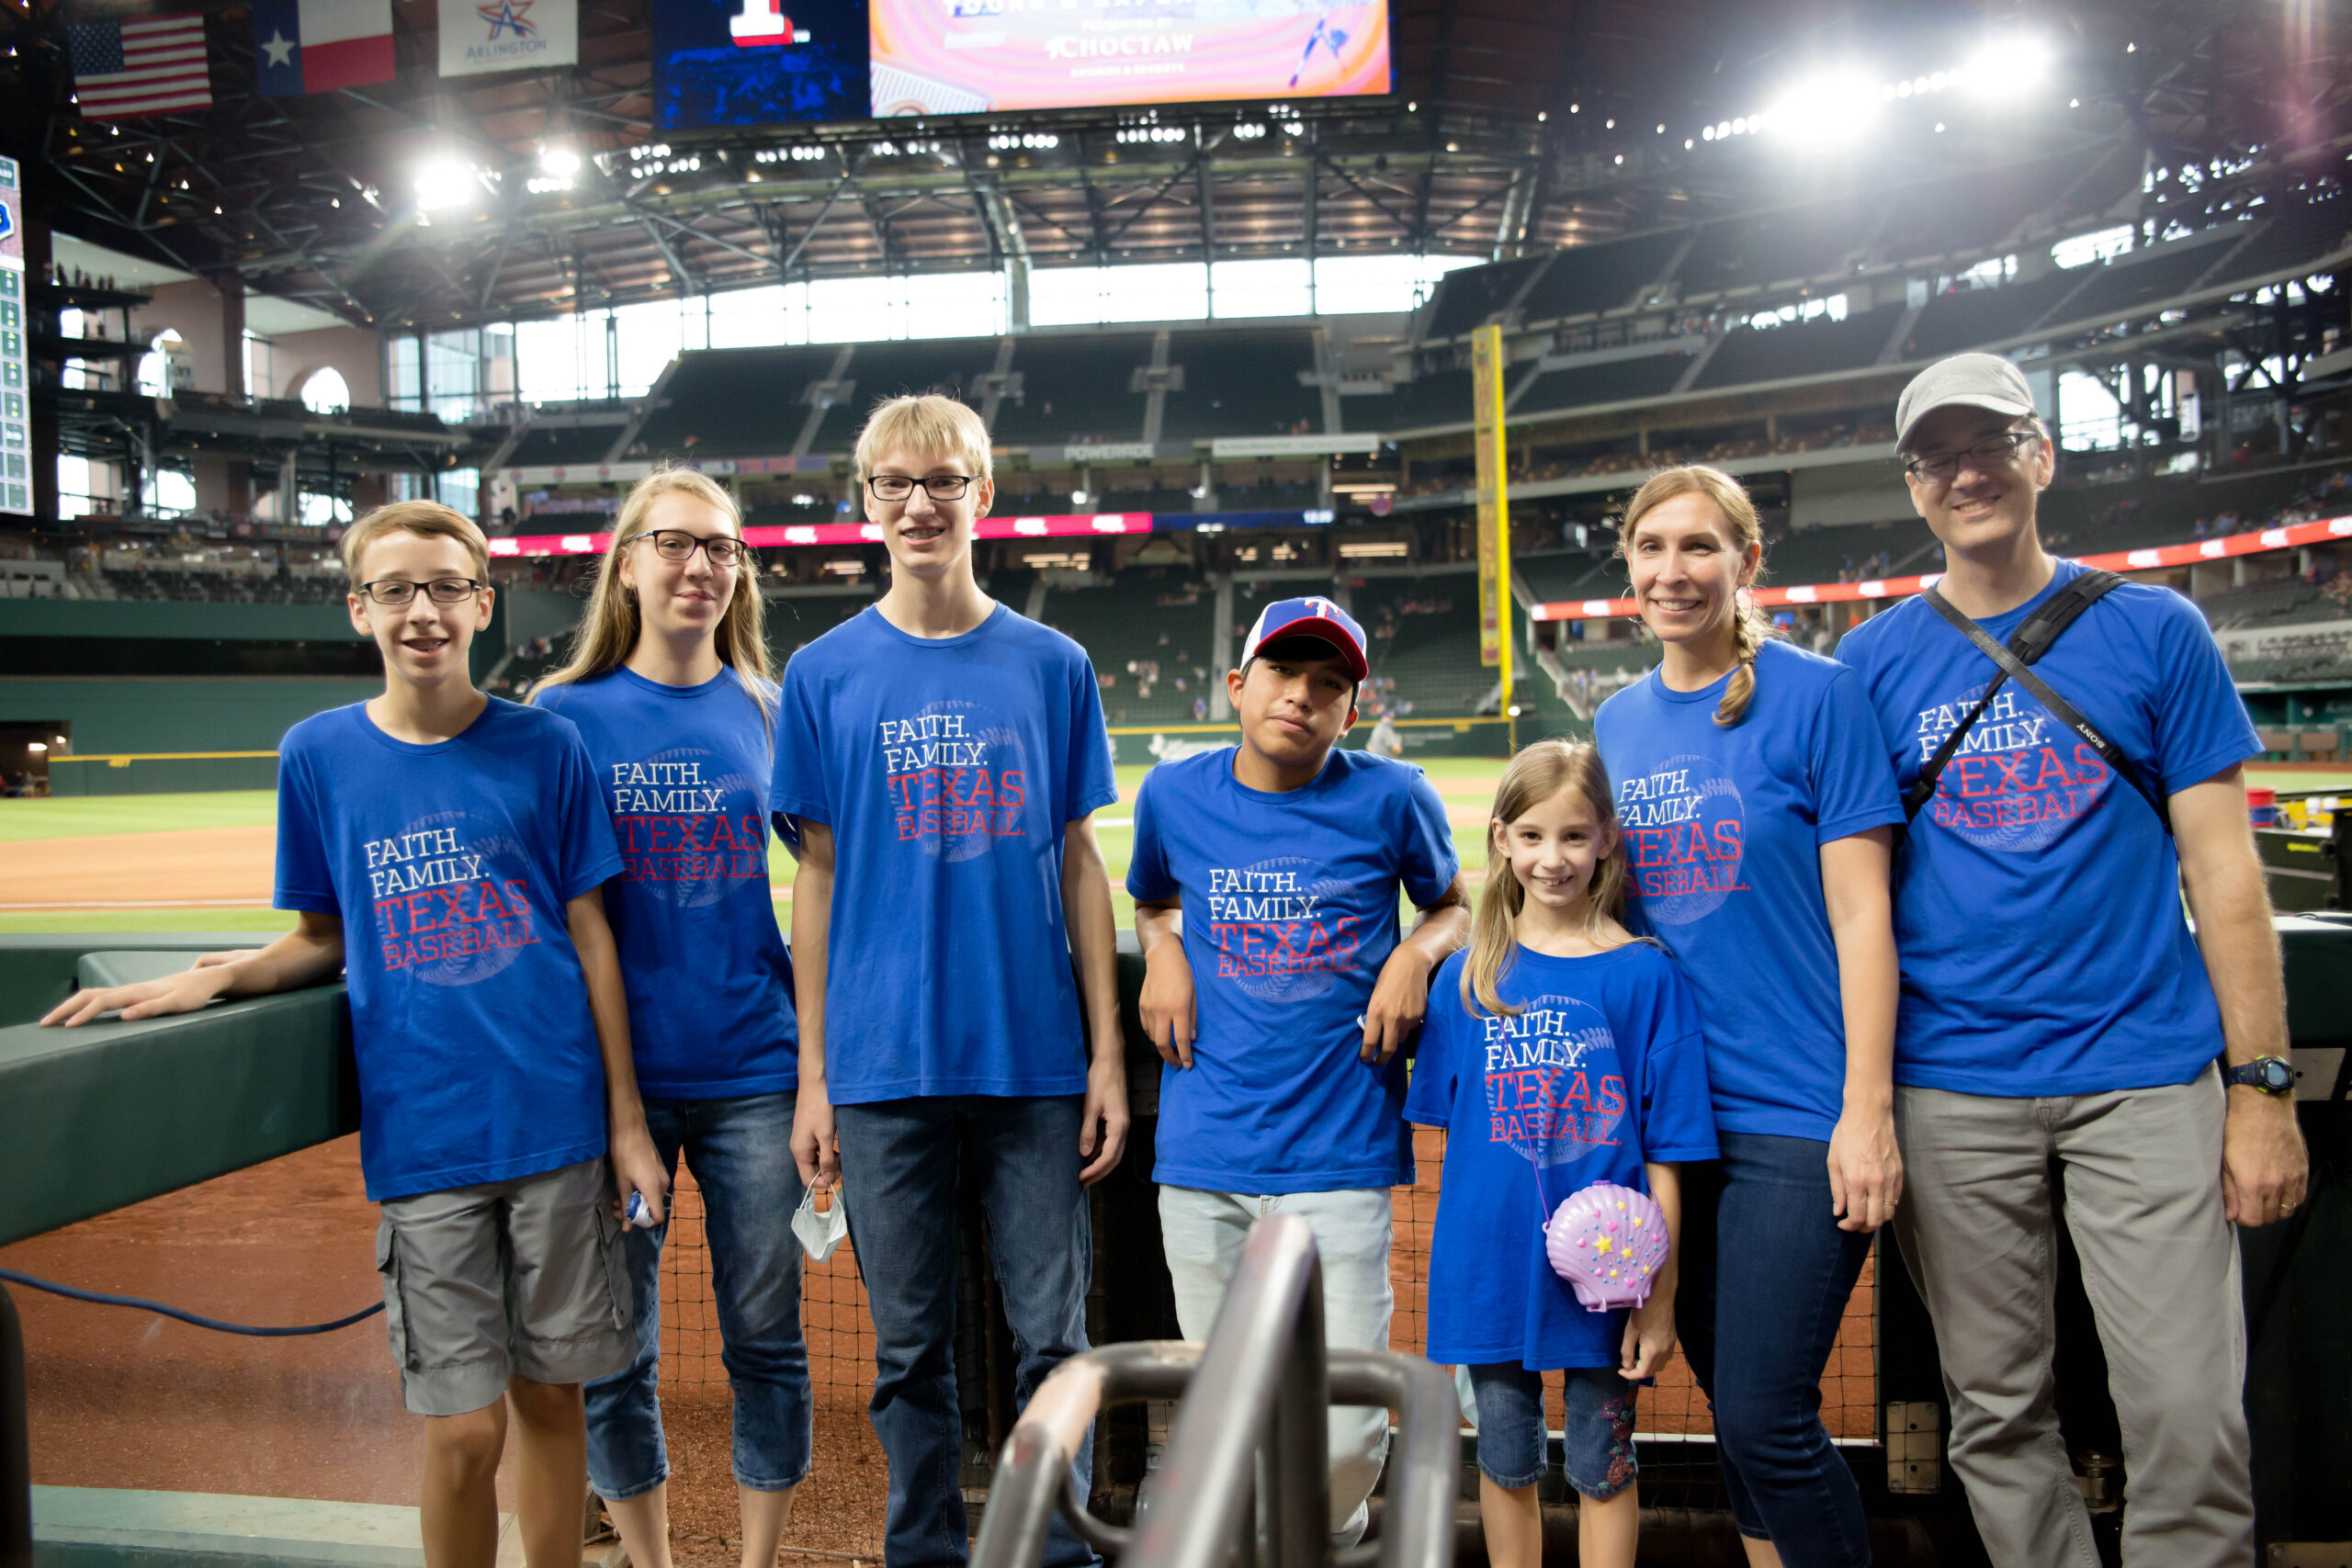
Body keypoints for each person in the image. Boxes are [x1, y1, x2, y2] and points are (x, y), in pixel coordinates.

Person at [42, 501, 666, 1568]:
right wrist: (223, 979)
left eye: (443, 587)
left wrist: (627, 1124)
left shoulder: (545, 745)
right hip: (423, 1142)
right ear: (358, 608)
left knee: (553, 1403)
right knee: (464, 1430)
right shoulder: (317, 754)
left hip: (555, 1128)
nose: (420, 610)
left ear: (482, 602)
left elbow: (592, 937)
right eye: (393, 589)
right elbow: (321, 938)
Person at [1836, 353, 2310, 1568]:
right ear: (1914, 486)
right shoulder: (1876, 661)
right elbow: (1854, 896)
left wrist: (2260, 1088)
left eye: (1992, 442)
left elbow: (2227, 877)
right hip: (1950, 1084)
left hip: (2146, 1071)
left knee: (2189, 1414)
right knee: (1995, 1414)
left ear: (2043, 454)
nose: (1969, 471)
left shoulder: (2158, 627)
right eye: (1938, 455)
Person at [770, 394, 1126, 1568]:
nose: (919, 503)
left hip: (1031, 1059)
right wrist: (814, 1076)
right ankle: (920, 1552)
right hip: (878, 1069)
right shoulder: (821, 675)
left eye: (944, 479)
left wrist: (1105, 1057)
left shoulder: (1051, 662)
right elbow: (812, 882)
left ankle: (1052, 1550)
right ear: (864, 501)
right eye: (894, 482)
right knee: (906, 1356)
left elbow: (1081, 863)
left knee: (1052, 1344)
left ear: (986, 492)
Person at [1591, 466, 1904, 1568]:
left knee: (1768, 1416)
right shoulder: (1616, 722)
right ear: (1628, 567)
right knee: (1739, 1417)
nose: (1672, 571)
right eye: (1651, 548)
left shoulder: (1818, 698)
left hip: (1793, 1116)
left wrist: (1866, 1112)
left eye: (1698, 547)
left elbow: (1863, 913)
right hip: (1670, 1122)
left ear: (1745, 561)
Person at [1127, 596, 1470, 1544]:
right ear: (1238, 686)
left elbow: (1452, 907)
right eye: (1283, 674)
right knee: (1221, 1402)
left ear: (1350, 711)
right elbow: (1154, 899)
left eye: (1329, 685)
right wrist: (1160, 949)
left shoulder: (1393, 796)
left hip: (1340, 1145)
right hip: (1208, 1152)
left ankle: (1331, 1537)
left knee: (1349, 1418)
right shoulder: (1173, 796)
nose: (1302, 696)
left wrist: (1416, 955)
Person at [530, 468, 812, 1568]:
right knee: (614, 1349)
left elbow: (834, 887)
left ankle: (756, 1561)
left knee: (767, 1340)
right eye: (676, 544)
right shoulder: (563, 716)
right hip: (616, 1088)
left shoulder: (767, 710)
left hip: (755, 1071)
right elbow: (549, 908)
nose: (701, 567)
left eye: (723, 549)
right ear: (629, 563)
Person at [1406, 739, 1716, 1568]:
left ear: (1608, 839)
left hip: (1608, 1279)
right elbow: (1452, 1143)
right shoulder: (1465, 980)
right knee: (1504, 1459)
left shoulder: (1645, 977)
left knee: (1603, 1465)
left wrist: (1660, 1290)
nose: (1554, 857)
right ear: (1502, 838)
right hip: (1489, 1270)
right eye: (1534, 835)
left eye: (1575, 836)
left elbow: (1670, 1151)